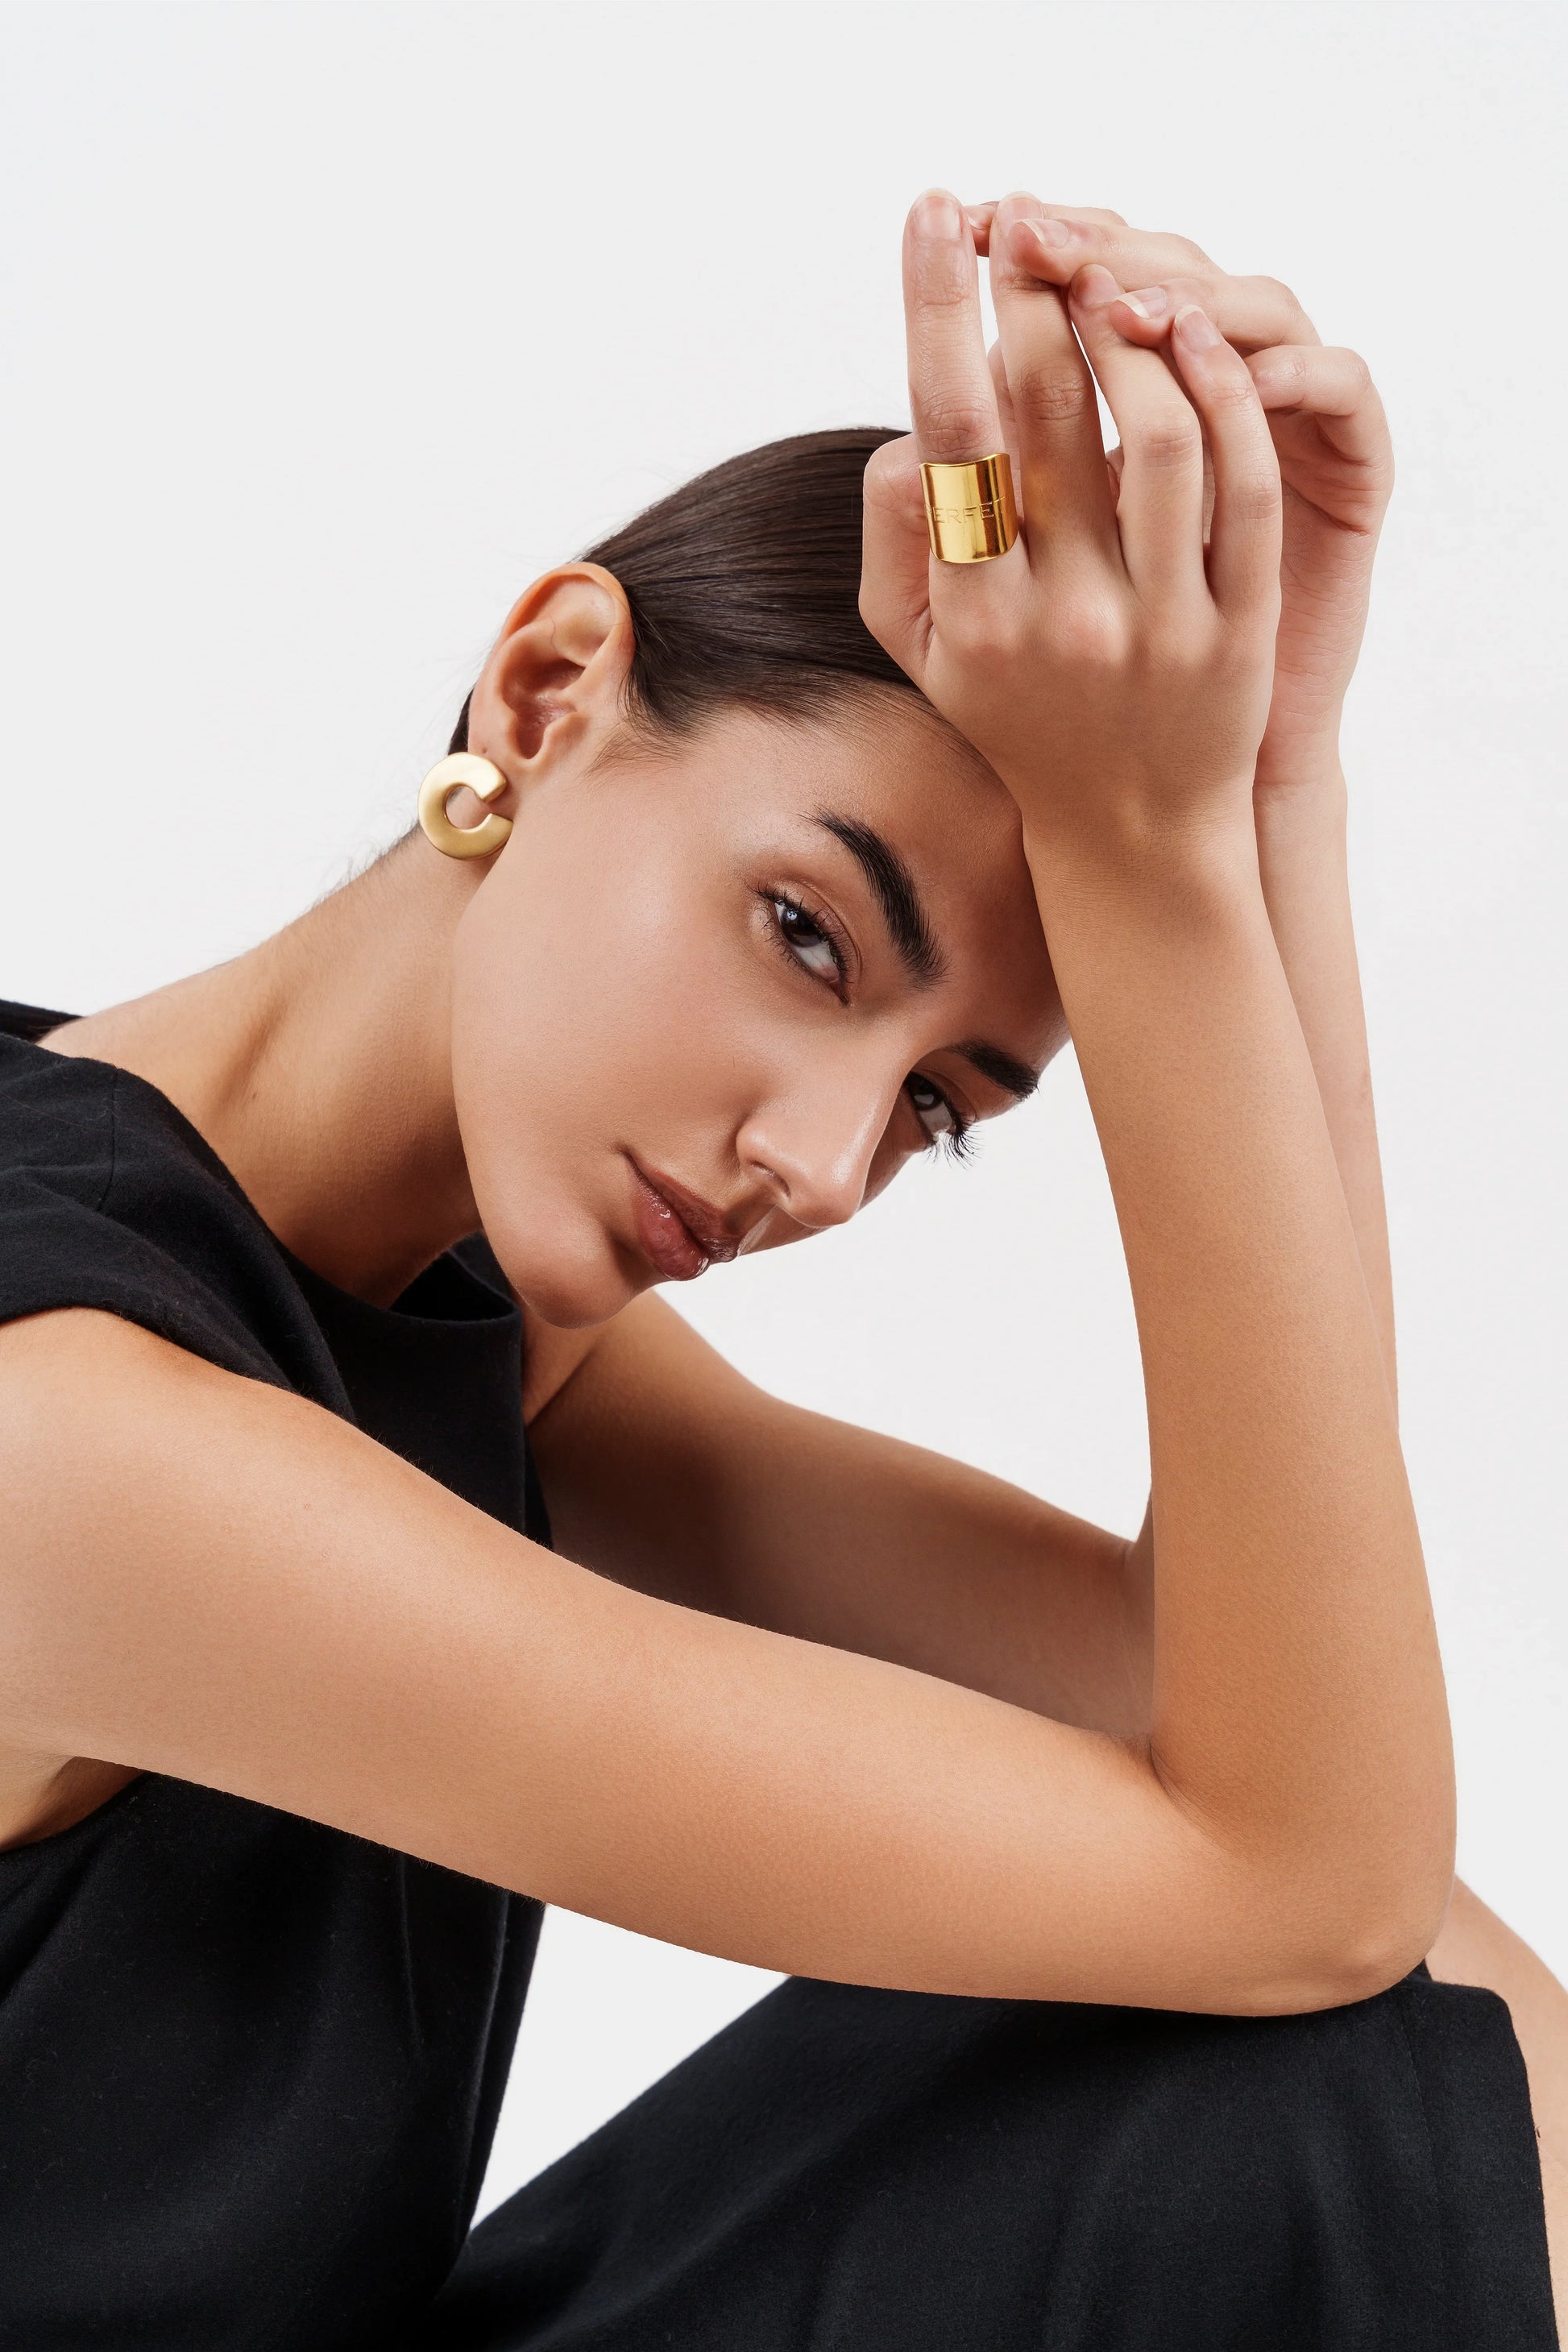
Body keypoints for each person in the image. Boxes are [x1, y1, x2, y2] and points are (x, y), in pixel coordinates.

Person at [0, 189, 1561, 2350]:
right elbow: (1303, 1870)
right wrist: (1147, 849)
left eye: (937, 1106)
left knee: (1395, 2043)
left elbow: (1232, 1699)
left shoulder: (454, 1322)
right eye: (808, 935)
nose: (818, 1168)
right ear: (549, 693)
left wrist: (1259, 778)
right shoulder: (66, 1442)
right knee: (1352, 2066)